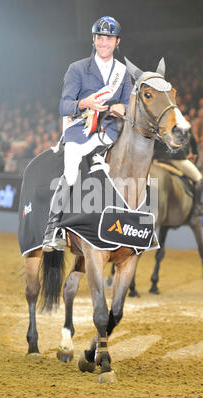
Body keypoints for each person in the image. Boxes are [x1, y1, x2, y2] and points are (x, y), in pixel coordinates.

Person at [42, 16, 133, 252]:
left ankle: (137, 228)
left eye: (109, 39)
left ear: (117, 42)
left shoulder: (122, 73)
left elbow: (128, 106)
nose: (104, 43)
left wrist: (122, 107)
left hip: (109, 133)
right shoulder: (77, 68)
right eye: (100, 38)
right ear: (94, 40)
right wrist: (85, 102)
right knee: (71, 173)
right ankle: (52, 229)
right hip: (79, 131)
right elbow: (64, 106)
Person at [154, 132, 203, 217]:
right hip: (176, 159)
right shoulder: (182, 126)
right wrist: (190, 155)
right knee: (198, 178)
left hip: (157, 159)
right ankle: (197, 207)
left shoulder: (161, 122)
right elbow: (189, 148)